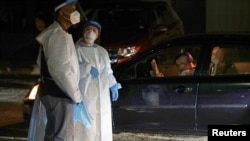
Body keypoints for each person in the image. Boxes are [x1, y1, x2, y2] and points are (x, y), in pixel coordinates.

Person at [27, 0, 91, 141]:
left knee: (53, 132)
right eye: (72, 8)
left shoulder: (57, 32)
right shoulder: (58, 36)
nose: (76, 11)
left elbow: (44, 62)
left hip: (52, 91)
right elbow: (60, 70)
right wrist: (76, 96)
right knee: (62, 135)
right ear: (61, 12)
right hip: (59, 93)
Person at [75, 20, 122, 141]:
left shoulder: (102, 51)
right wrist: (86, 68)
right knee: (87, 127)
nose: (90, 32)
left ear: (98, 34)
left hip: (102, 95)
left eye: (94, 30)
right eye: (88, 29)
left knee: (102, 123)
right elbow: (71, 69)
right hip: (85, 93)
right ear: (83, 31)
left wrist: (113, 84)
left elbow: (107, 70)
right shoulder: (75, 49)